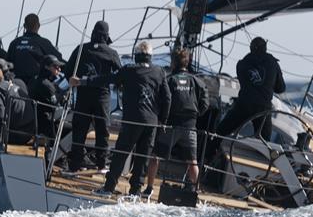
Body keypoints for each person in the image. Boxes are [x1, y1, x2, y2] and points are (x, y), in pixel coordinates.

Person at [70, 41, 170, 196]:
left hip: (133, 121)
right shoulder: (160, 71)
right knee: (142, 158)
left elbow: (107, 79)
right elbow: (167, 98)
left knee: (120, 155)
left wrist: (82, 81)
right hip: (151, 123)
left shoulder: (129, 70)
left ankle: (109, 188)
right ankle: (135, 192)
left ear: (136, 56)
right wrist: (162, 121)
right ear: (150, 56)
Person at [145, 48, 208, 198]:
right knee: (192, 161)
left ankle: (149, 188)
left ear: (173, 62)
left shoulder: (169, 80)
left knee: (155, 156)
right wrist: (197, 114)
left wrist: (161, 119)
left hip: (171, 125)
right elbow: (205, 102)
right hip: (190, 126)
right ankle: (196, 192)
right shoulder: (197, 81)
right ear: (188, 62)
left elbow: (162, 101)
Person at [64, 20, 122, 172]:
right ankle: (102, 165)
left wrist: (72, 80)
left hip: (83, 95)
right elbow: (120, 76)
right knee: (102, 130)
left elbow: (68, 71)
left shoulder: (81, 49)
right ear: (106, 36)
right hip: (102, 97)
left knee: (79, 130)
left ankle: (74, 165)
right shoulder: (111, 53)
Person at [215, 37, 285, 142]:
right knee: (265, 141)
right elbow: (281, 88)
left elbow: (243, 81)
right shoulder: (273, 63)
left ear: (251, 48)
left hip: (244, 104)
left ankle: (210, 152)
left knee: (221, 132)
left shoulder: (242, 64)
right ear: (265, 48)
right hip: (263, 107)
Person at [7, 13, 63, 81]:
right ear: (39, 26)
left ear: (24, 26)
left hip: (17, 83)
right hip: (37, 85)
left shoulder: (14, 43)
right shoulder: (44, 42)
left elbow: (7, 63)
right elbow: (58, 59)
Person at [28, 54, 68, 139]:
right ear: (47, 67)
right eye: (56, 67)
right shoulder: (47, 85)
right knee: (73, 129)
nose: (59, 69)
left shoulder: (34, 80)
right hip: (46, 125)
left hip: (35, 122)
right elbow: (56, 108)